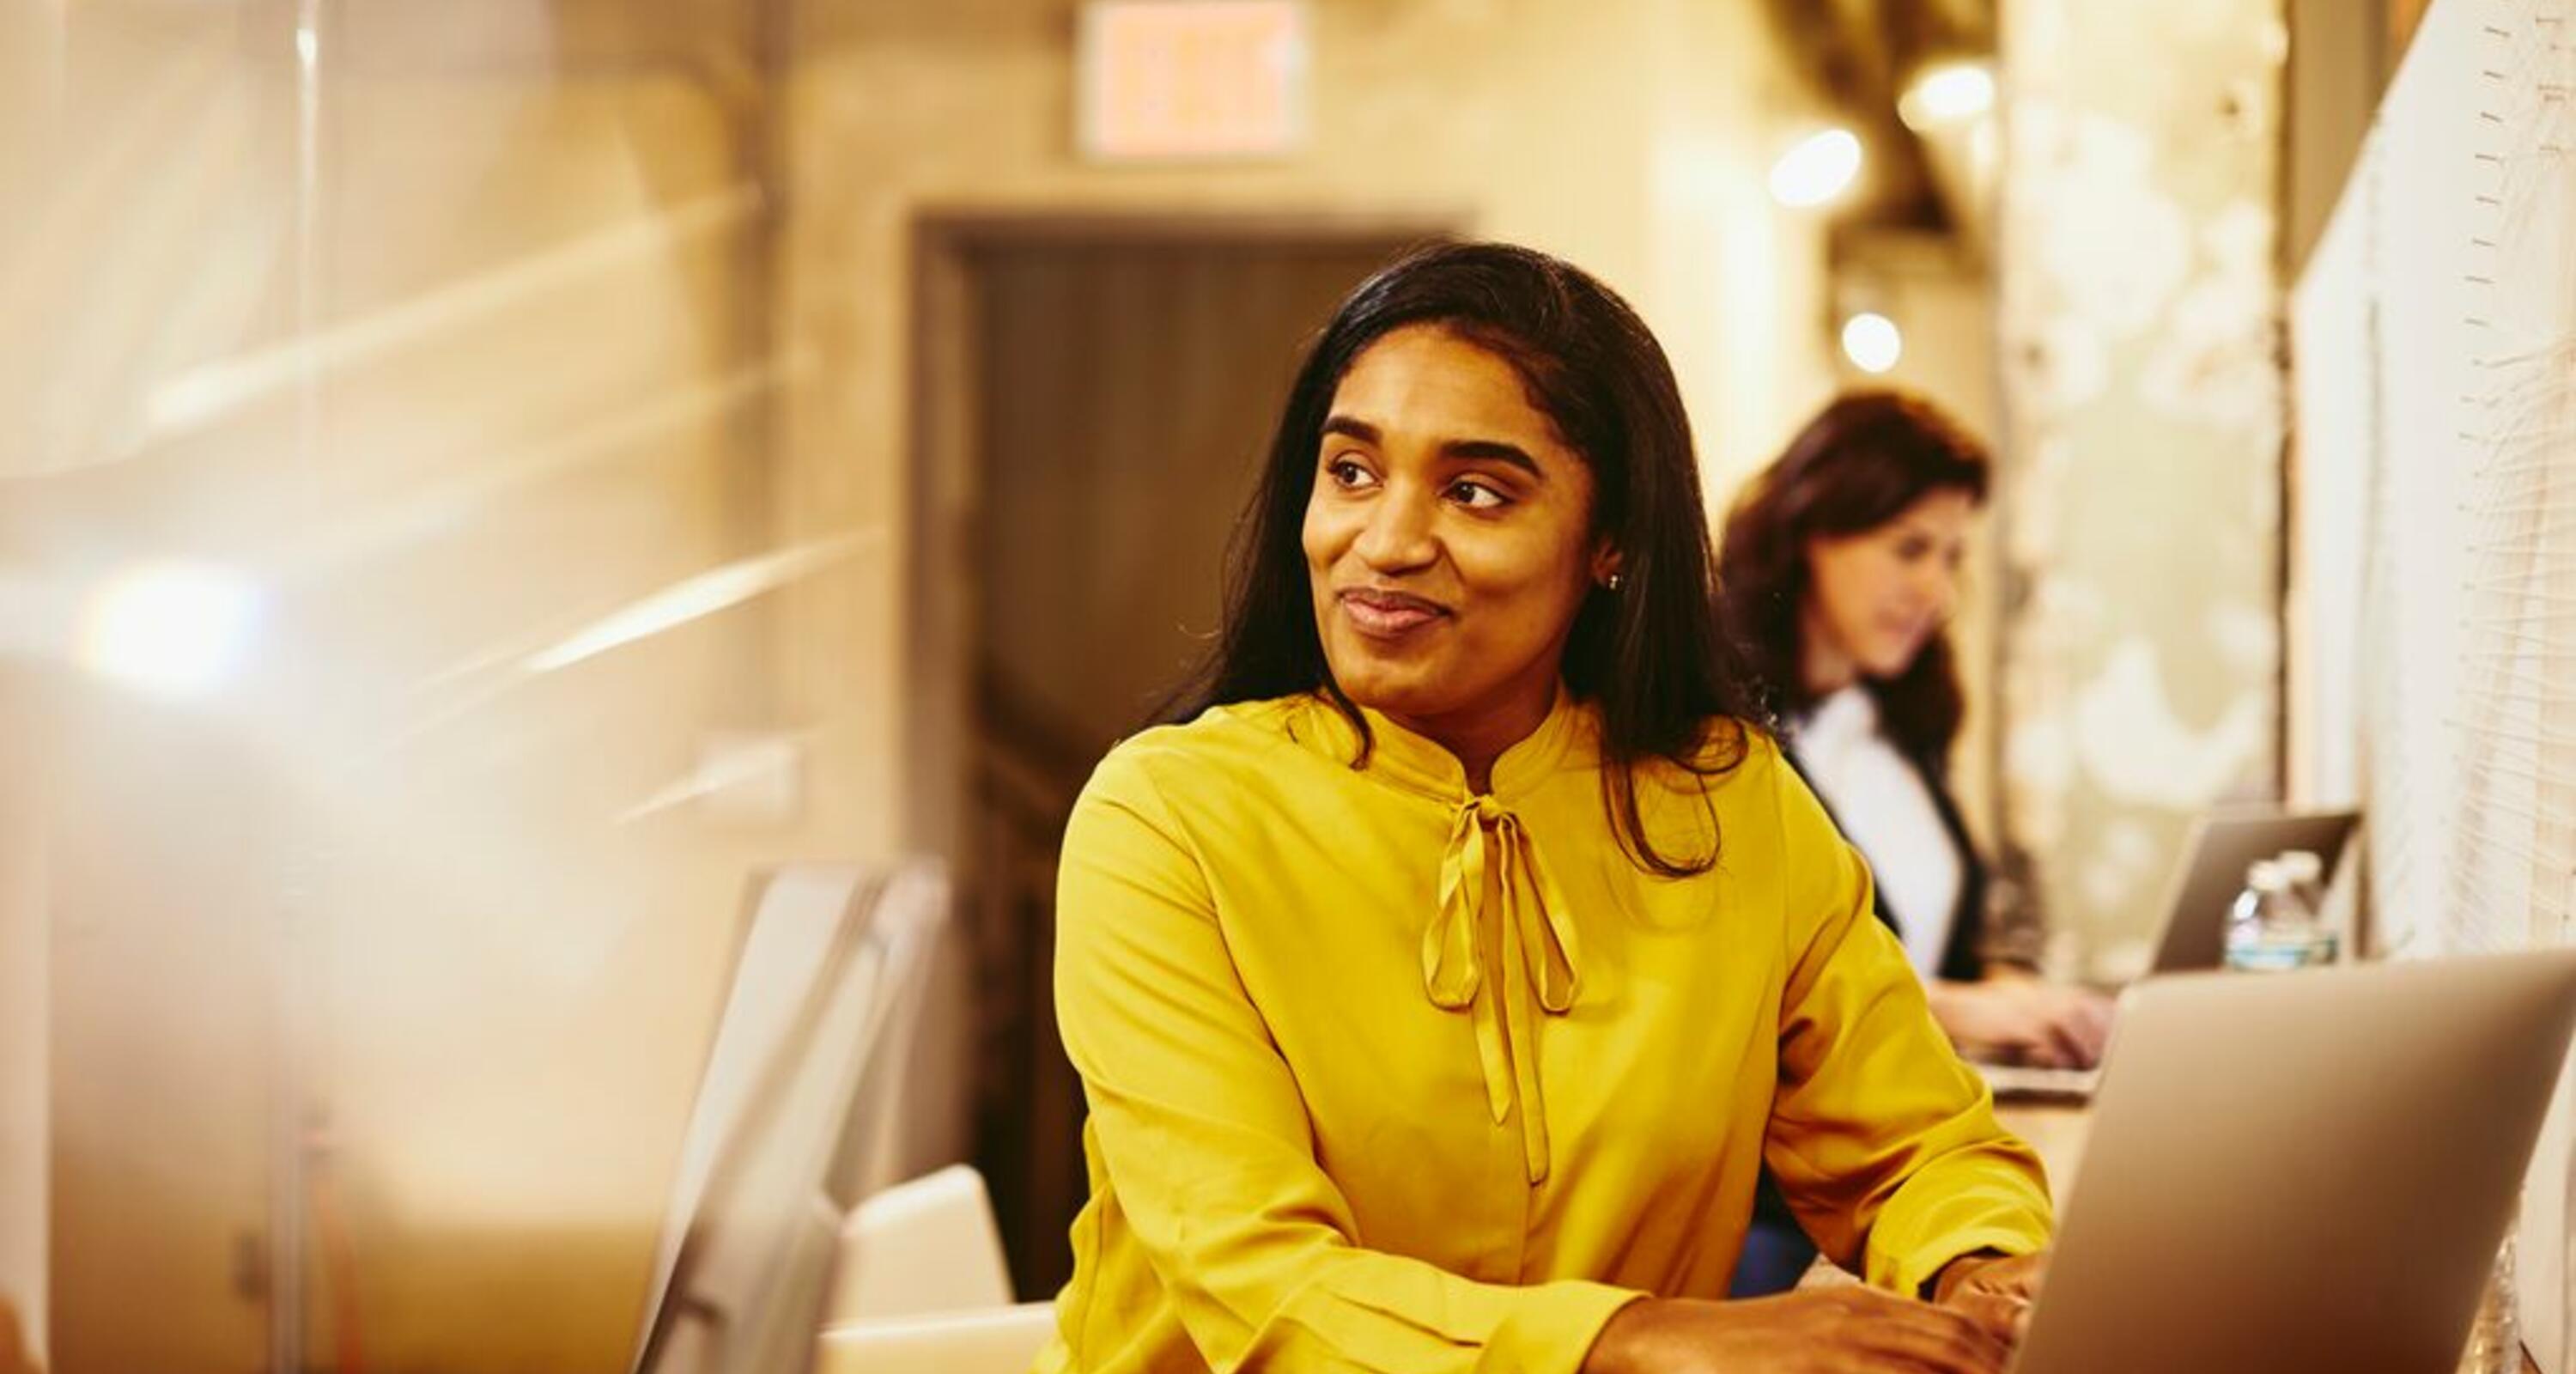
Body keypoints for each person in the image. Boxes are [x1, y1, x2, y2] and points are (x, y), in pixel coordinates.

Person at [1035, 242, 2053, 1374]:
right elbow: (1268, 1290)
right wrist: (1645, 1338)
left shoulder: (1731, 801)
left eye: (1475, 491)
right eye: (1353, 472)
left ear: (1610, 541)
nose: (1384, 541)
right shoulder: (1165, 818)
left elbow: (1915, 1142)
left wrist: (1988, 1269)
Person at [1713, 392, 2113, 1299]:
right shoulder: (1714, 737)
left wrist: (2019, 997)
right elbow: (1741, 990)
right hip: (1781, 1215)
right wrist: (1963, 1011)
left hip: (1908, 1175)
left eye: (1951, 556)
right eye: (1908, 548)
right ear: (1813, 528)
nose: (1936, 590)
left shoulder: (1901, 727)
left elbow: (1938, 947)